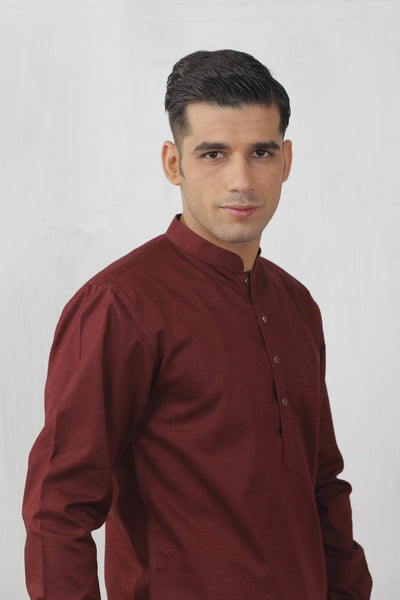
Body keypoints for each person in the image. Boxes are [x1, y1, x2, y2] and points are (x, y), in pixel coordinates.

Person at [23, 49, 372, 600]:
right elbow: (57, 505)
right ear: (173, 163)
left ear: (285, 161)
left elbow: (323, 484)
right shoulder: (119, 305)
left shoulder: (296, 303)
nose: (241, 180)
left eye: (260, 152)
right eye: (213, 154)